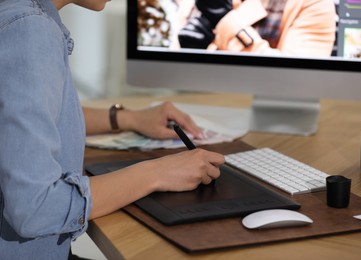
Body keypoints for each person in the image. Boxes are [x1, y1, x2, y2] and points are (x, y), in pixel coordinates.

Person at [0, 0, 225, 259]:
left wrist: (127, 119)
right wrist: (159, 173)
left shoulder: (16, 13)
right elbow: (35, 208)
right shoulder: (29, 31)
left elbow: (25, 117)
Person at [173, 0, 336, 57]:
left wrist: (226, 22)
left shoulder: (314, 4)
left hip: (281, 122)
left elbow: (301, 78)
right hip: (195, 110)